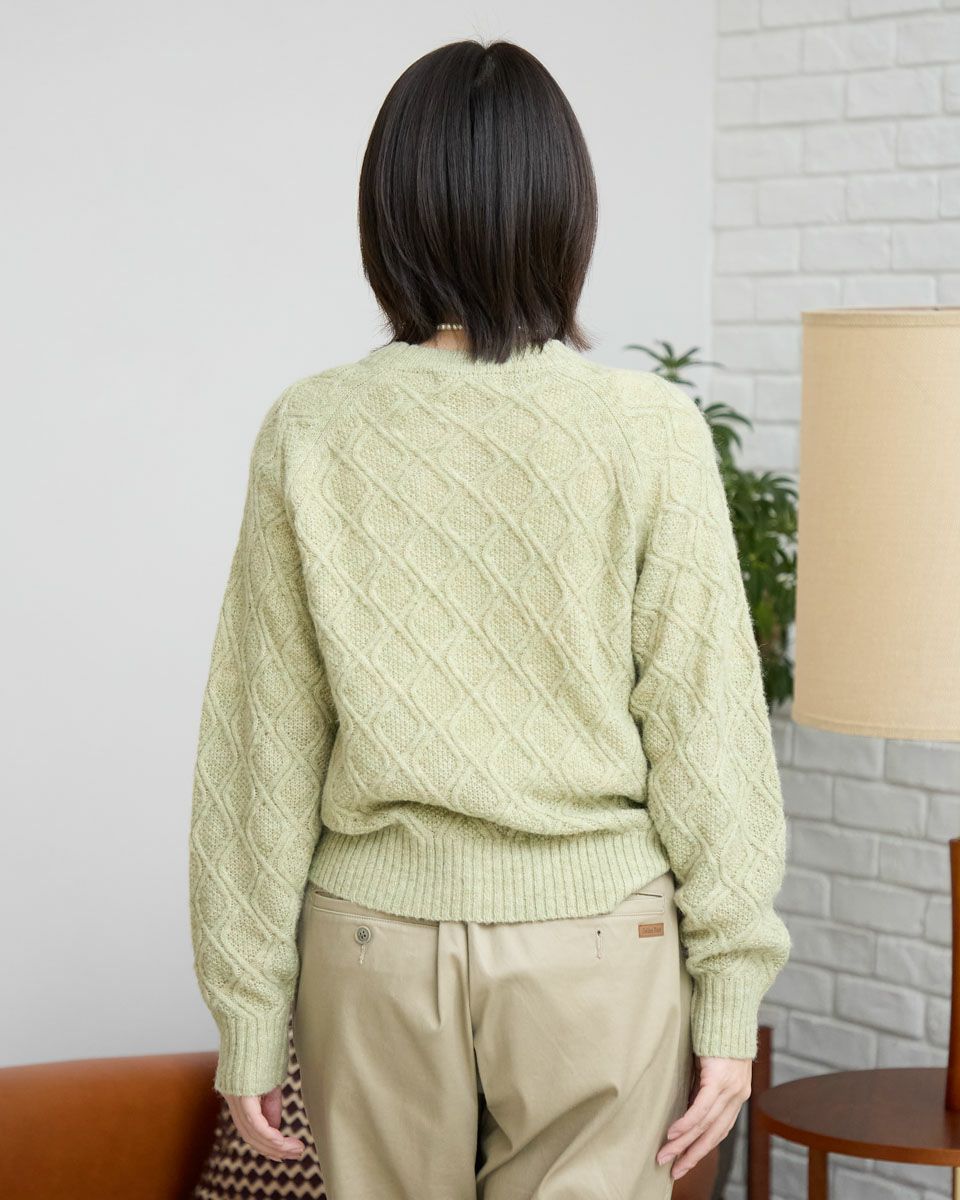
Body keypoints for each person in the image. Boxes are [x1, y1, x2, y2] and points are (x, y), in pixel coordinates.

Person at [188, 36, 791, 1199]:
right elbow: (707, 731)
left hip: (370, 947)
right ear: (567, 212)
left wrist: (249, 1011)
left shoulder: (311, 428)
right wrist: (729, 995)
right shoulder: (648, 433)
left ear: (389, 216)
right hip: (602, 947)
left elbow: (262, 743)